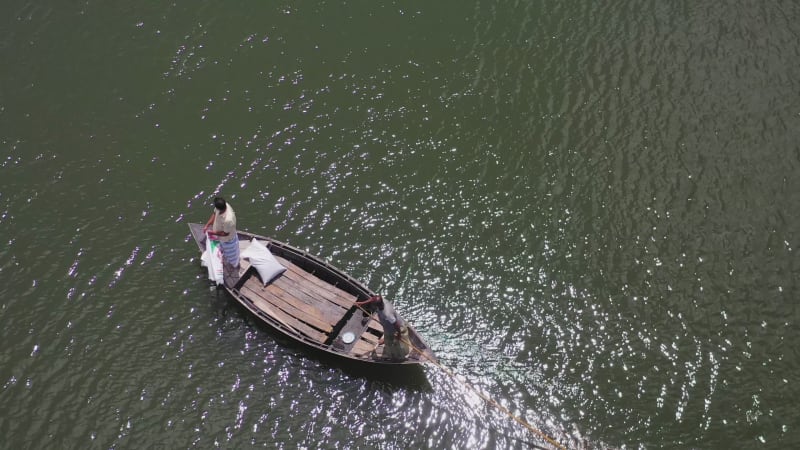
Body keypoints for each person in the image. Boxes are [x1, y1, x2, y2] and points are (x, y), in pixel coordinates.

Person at [355, 294, 409, 361]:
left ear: (376, 305)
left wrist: (399, 334)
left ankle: (396, 355)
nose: (372, 304)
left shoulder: (387, 314)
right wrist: (361, 303)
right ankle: (386, 339)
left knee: (392, 343)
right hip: (388, 326)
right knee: (387, 335)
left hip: (394, 328)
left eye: (373, 304)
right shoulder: (382, 300)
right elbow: (372, 299)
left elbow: (396, 324)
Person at [203, 196, 240, 287]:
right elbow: (214, 214)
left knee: (232, 257)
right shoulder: (222, 206)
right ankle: (225, 259)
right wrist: (207, 225)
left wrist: (213, 232)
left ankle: (234, 266)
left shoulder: (228, 219)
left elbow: (225, 233)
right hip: (220, 237)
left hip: (228, 240)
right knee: (223, 252)